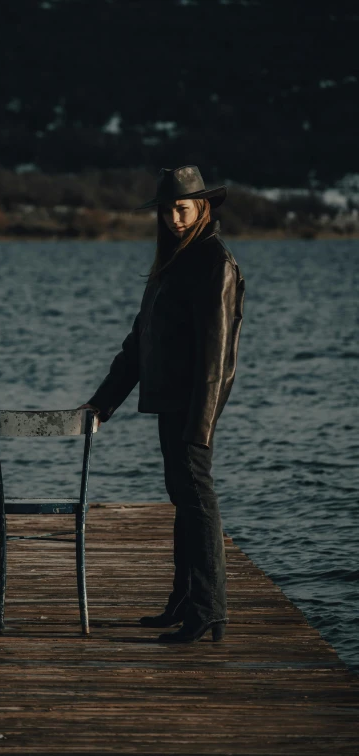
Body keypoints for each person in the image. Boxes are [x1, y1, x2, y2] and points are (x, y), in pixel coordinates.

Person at [78, 165, 246, 644]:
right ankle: (184, 600)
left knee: (197, 500)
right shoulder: (173, 261)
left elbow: (218, 356)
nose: (174, 217)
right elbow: (139, 344)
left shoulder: (214, 262)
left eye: (182, 208)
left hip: (193, 407)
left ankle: (208, 608)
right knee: (184, 501)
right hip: (170, 403)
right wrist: (100, 405)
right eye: (168, 210)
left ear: (202, 208)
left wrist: (202, 422)